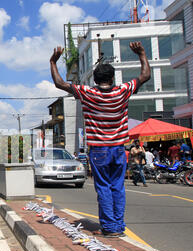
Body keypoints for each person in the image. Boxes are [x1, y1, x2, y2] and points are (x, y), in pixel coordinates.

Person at [50, 41, 151, 238]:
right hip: (119, 148)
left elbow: (59, 83)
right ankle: (118, 226)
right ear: (112, 78)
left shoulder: (88, 93)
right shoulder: (122, 91)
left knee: (103, 187)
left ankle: (109, 227)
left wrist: (53, 62)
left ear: (95, 80)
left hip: (99, 150)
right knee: (117, 187)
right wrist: (142, 53)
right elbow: (145, 75)